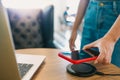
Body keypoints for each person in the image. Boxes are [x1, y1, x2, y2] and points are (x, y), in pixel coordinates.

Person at [69, 0, 120, 67]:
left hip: (115, 19)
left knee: (109, 69)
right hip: (91, 11)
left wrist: (111, 38)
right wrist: (74, 29)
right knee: (83, 66)